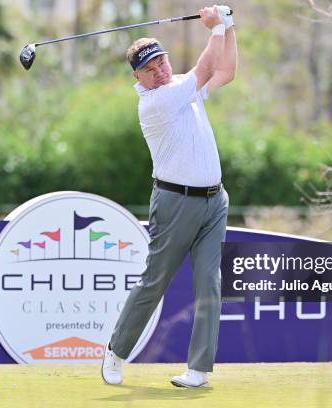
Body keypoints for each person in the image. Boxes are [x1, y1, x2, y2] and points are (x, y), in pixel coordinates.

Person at [101, 5, 237, 388]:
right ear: (138, 77)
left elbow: (226, 72)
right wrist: (214, 29)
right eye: (151, 68)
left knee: (210, 283)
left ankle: (198, 370)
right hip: (176, 203)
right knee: (154, 282)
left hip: (215, 202)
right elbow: (207, 69)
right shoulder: (156, 102)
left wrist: (229, 27)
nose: (160, 70)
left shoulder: (180, 87)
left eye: (161, 62)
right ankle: (116, 350)